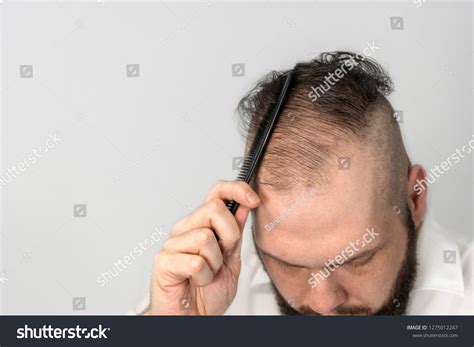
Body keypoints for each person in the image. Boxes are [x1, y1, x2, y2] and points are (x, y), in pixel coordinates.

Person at [140, 52, 473, 315]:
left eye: (357, 260)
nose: (323, 303)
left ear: (414, 199)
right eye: (288, 265)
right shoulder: (209, 287)